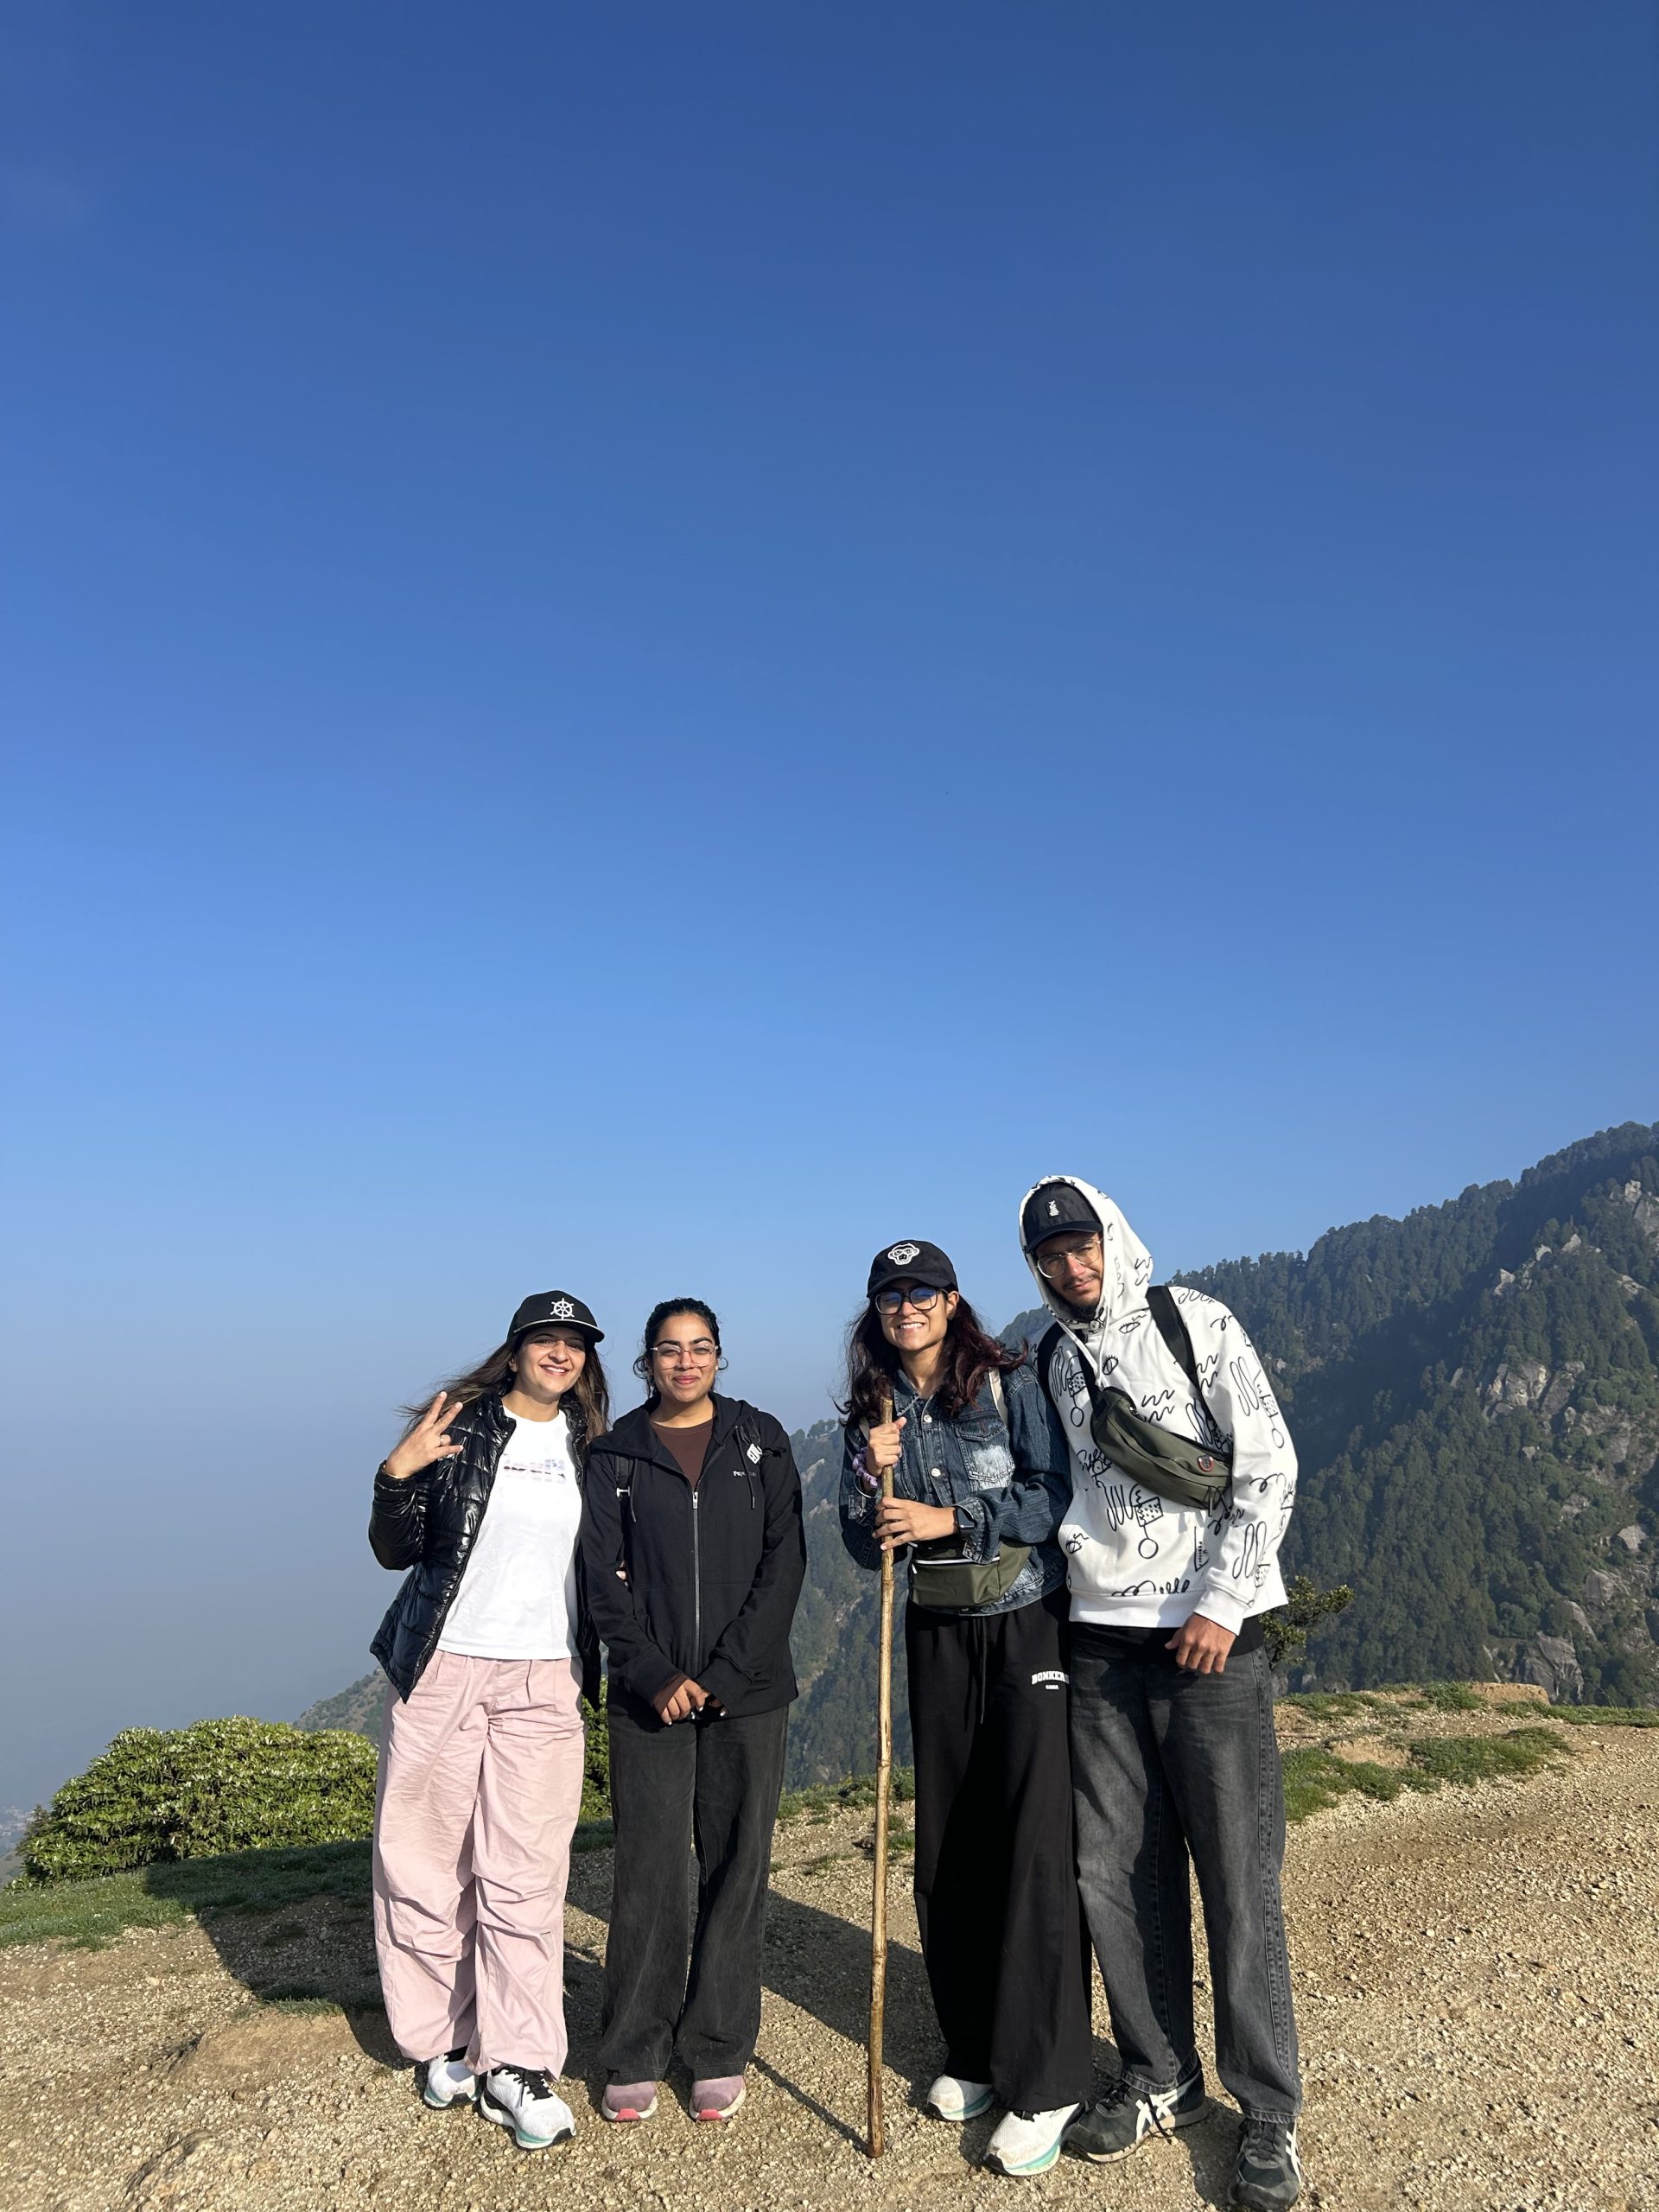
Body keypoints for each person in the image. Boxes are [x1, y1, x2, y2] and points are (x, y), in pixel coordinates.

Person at [1018, 1176, 1305, 2211]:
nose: (1070, 1266)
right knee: (1113, 1872)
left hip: (1209, 1646)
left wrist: (1223, 1605)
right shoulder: (1051, 1358)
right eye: (1050, 1254)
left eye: (1081, 1244)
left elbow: (1269, 1466)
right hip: (1102, 1647)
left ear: (1112, 1237)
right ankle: (1160, 2075)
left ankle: (1267, 2111)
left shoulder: (1195, 1323)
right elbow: (1052, 1487)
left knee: (1236, 1878)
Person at [839, 1238, 1094, 2178]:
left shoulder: (1006, 1382)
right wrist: (867, 1477)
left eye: (923, 1292)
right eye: (890, 1295)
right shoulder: (873, 1410)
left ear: (952, 1301)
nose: (906, 1306)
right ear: (876, 1311)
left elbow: (1052, 1493)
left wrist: (950, 1519)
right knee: (951, 1842)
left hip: (1025, 1621)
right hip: (938, 1631)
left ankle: (1049, 2077)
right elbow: (862, 1548)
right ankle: (977, 2050)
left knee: (1033, 1842)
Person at [367, 1290, 609, 2152]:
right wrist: (396, 1475)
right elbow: (394, 1549)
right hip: (444, 1665)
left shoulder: (594, 1444)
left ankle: (517, 2060)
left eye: (575, 1342)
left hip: (546, 1675)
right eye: (546, 1338)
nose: (560, 1352)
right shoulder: (458, 1426)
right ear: (515, 1350)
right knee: (423, 1861)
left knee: (526, 1874)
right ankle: (440, 2039)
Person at [580, 1298, 805, 2126]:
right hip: (651, 1699)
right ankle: (635, 2046)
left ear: (719, 1356)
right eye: (669, 1350)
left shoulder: (760, 1440)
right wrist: (653, 1674)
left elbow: (785, 1562)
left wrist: (725, 1672)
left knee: (736, 1867)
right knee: (648, 1870)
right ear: (647, 1362)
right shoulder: (616, 1454)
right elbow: (599, 1578)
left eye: (700, 1347)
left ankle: (717, 2045)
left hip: (748, 1694)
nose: (686, 1362)